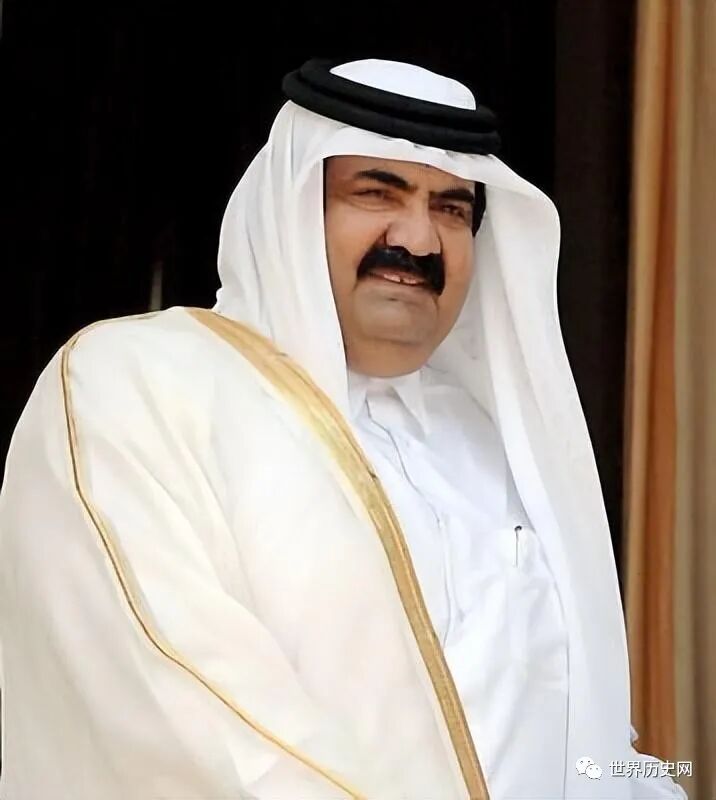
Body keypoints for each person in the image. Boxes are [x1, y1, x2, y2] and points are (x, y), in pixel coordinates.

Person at [0, 58, 686, 799]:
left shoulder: (495, 447)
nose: (419, 240)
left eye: (452, 209)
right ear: (293, 210)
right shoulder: (138, 387)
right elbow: (195, 722)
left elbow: (583, 743)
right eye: (376, 192)